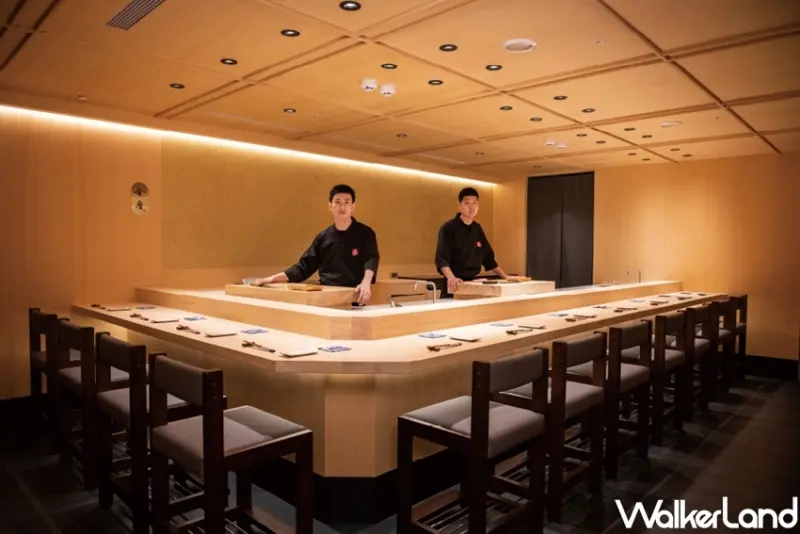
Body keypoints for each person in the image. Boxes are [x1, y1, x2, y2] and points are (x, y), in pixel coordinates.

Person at [252, 184, 379, 305]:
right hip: (326, 295)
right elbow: (304, 267)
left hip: (354, 296)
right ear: (330, 206)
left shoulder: (365, 233)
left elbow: (371, 259)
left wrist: (366, 283)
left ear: (353, 206)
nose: (342, 207)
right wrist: (270, 279)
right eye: (337, 202)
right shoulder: (323, 237)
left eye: (347, 202)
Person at [435, 187, 510, 295]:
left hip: (473, 284)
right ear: (459, 206)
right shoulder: (448, 228)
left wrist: (506, 277)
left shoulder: (477, 229)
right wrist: (451, 278)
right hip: (454, 284)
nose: (471, 207)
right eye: (467, 203)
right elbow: (442, 258)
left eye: (474, 203)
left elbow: (488, 259)